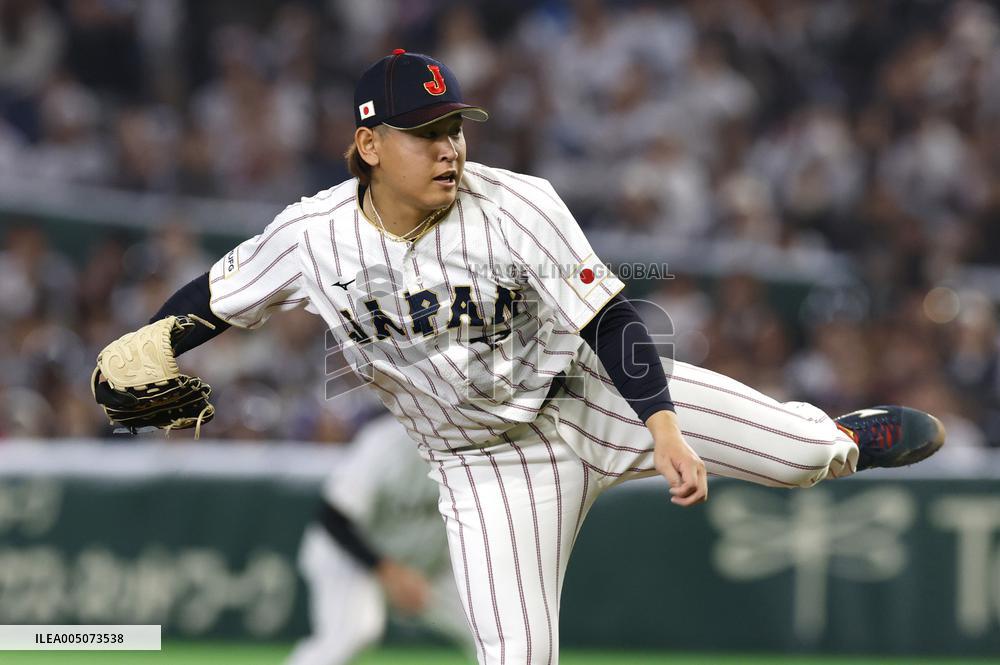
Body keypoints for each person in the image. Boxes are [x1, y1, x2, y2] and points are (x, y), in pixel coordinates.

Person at [102, 50, 945, 664]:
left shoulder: (516, 204)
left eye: (455, 129)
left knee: (804, 457)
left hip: (587, 394)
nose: (449, 148)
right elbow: (213, 297)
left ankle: (843, 436)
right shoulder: (311, 236)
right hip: (484, 471)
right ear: (367, 146)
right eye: (424, 133)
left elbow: (610, 318)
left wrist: (663, 426)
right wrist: (149, 345)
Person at [287, 415, 472, 665]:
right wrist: (390, 572)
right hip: (351, 557)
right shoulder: (385, 442)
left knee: (493, 627)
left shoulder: (474, 442)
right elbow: (334, 517)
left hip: (427, 564)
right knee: (351, 633)